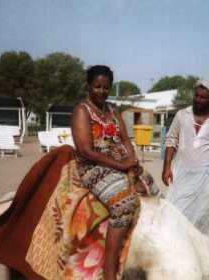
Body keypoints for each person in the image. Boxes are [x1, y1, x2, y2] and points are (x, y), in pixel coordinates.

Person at [71, 65, 140, 280]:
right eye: (97, 86)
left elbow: (126, 140)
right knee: (124, 204)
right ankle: (109, 271)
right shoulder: (82, 111)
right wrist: (121, 166)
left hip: (120, 163)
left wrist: (132, 160)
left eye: (106, 87)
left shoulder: (112, 110)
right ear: (88, 86)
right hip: (93, 167)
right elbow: (85, 150)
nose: (101, 91)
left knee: (151, 190)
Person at [162, 79, 209, 234]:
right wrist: (166, 166)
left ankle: (195, 252)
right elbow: (171, 140)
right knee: (175, 213)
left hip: (206, 176)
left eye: (203, 97)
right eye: (196, 96)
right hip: (181, 174)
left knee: (201, 216)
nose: (198, 100)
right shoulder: (182, 115)